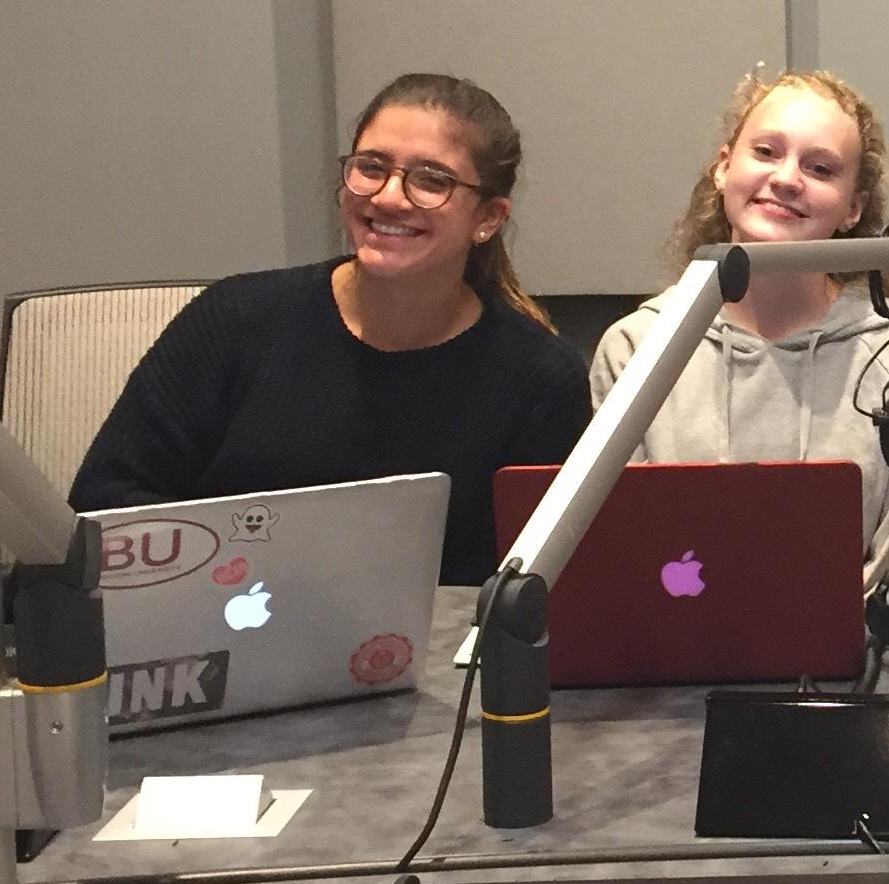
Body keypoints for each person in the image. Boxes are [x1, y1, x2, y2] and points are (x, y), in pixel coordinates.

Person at [72, 73, 590, 587]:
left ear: (489, 218)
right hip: (213, 630)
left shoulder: (541, 379)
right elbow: (107, 503)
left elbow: (532, 584)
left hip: (432, 659)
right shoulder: (234, 319)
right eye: (371, 168)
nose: (388, 197)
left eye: (432, 179)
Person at [586, 69, 889, 582]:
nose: (786, 179)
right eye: (766, 152)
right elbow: (625, 553)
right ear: (722, 168)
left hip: (859, 655)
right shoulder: (637, 348)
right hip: (678, 651)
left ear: (854, 208)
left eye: (820, 168)